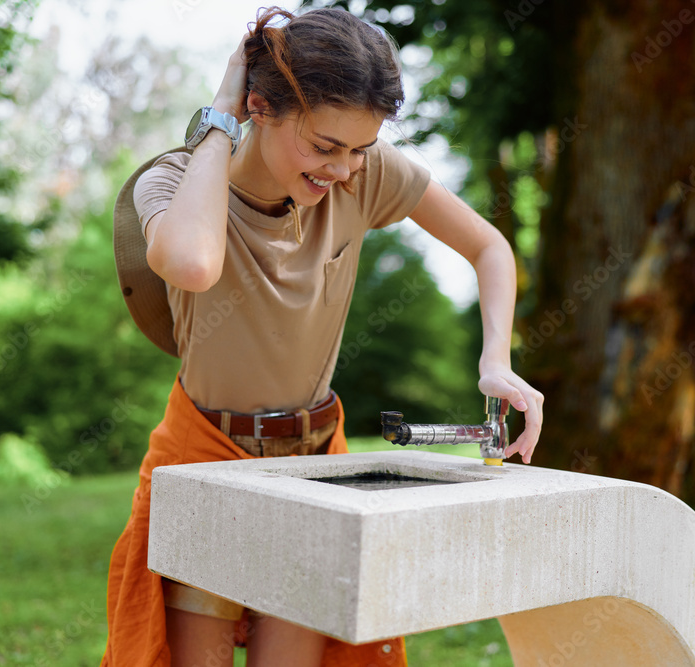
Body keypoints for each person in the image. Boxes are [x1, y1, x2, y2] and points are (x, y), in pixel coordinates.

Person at [104, 6, 543, 666]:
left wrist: (497, 361)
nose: (342, 169)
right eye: (323, 146)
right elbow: (194, 262)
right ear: (259, 104)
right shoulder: (177, 181)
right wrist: (223, 108)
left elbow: (488, 247)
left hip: (313, 466)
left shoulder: (362, 177)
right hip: (204, 465)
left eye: (359, 150)